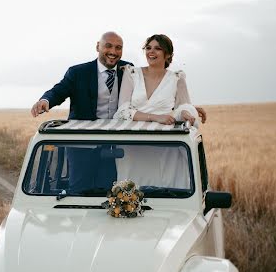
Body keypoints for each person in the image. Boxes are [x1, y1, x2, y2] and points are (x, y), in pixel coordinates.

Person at [113, 34, 199, 187]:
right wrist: (154, 117)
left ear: (168, 55)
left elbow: (184, 107)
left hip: (164, 146)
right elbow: (123, 111)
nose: (151, 52)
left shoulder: (177, 78)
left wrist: (186, 113)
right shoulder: (132, 73)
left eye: (157, 48)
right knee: (130, 192)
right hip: (133, 146)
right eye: (148, 48)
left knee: (164, 190)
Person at [31, 31, 131, 120]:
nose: (113, 52)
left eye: (118, 48)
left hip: (117, 135)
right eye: (108, 46)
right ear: (97, 46)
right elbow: (58, 92)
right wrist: (46, 100)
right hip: (84, 135)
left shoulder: (128, 69)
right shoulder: (77, 73)